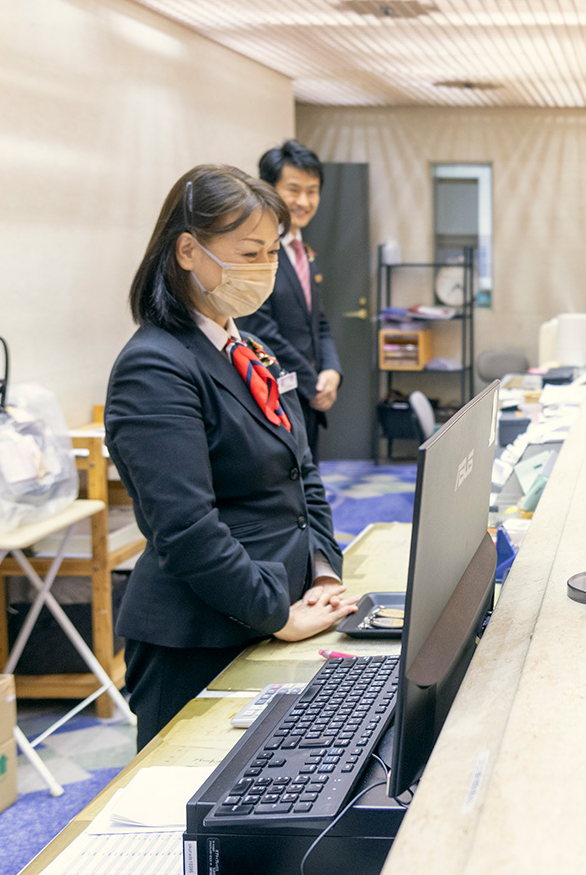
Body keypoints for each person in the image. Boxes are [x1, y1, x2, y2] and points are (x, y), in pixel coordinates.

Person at [106, 164, 357, 749]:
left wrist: (321, 570)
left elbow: (302, 472)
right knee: (193, 818)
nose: (265, 269)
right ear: (188, 250)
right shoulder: (156, 366)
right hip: (198, 637)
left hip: (280, 607)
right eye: (249, 252)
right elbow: (187, 528)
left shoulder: (251, 349)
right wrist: (278, 614)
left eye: (272, 252)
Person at [238, 140, 341, 462]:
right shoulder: (256, 252)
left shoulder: (302, 251)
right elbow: (260, 332)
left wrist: (332, 372)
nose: (304, 201)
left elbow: (319, 324)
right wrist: (313, 386)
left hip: (306, 399)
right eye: (293, 189)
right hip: (273, 399)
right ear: (267, 190)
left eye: (312, 191)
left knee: (310, 491)